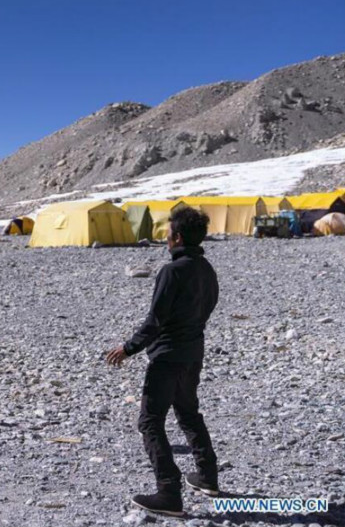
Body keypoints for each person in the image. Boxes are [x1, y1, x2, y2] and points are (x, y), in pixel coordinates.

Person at [106, 207, 220, 517]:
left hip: (168, 357)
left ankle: (169, 492)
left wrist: (128, 348)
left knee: (150, 421)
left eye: (167, 234)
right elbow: (208, 308)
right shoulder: (206, 268)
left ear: (178, 237)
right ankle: (207, 475)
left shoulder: (172, 271)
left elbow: (156, 319)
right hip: (193, 353)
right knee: (188, 412)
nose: (165, 239)